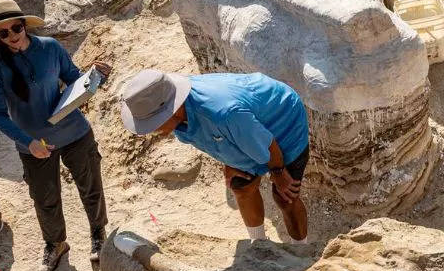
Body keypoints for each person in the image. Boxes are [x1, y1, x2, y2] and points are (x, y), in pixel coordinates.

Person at [0, 0, 113, 271]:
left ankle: (98, 234)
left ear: (24, 24)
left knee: (91, 187)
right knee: (44, 197)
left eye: (15, 28)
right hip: (34, 144)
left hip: (75, 131)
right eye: (3, 33)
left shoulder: (50, 47)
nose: (12, 36)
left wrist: (96, 78)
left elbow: (73, 78)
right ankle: (55, 243)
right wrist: (28, 142)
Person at [117, 69, 310, 243]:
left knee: (285, 197)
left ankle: (301, 250)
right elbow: (214, 136)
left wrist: (278, 172)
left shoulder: (223, 113)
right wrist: (230, 161)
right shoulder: (178, 107)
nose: (152, 130)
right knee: (241, 186)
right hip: (246, 129)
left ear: (172, 112)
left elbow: (268, 145)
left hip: (282, 123)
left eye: (153, 124)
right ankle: (259, 244)